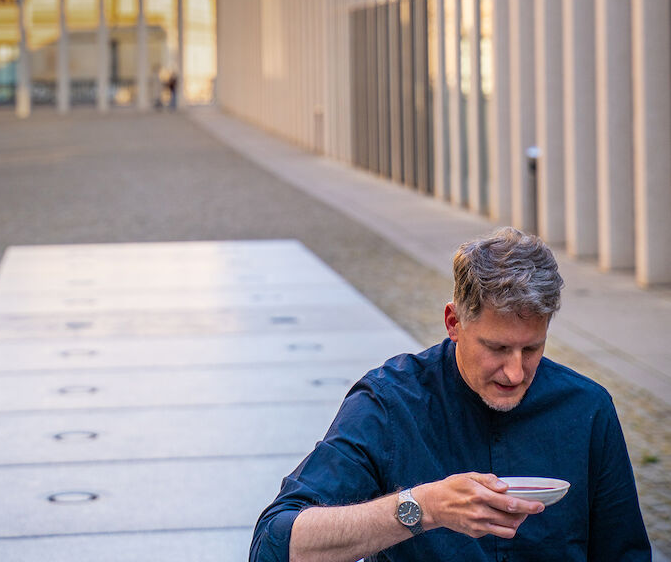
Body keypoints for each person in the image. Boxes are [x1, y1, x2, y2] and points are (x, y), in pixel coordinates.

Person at [250, 227, 650, 562]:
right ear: (453, 322)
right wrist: (423, 507)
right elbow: (274, 543)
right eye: (496, 348)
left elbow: (625, 553)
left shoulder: (587, 408)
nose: (515, 372)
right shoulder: (391, 403)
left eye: (531, 349)